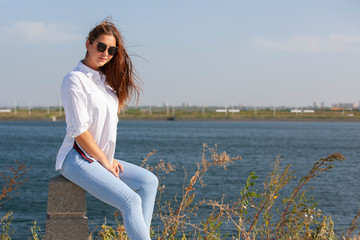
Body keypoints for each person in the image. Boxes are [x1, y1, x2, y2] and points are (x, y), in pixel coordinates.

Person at [56, 19, 158, 240]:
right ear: (88, 44)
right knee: (130, 201)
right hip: (76, 157)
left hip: (98, 156)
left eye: (111, 50)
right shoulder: (74, 80)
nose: (105, 53)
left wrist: (106, 158)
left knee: (149, 182)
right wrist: (104, 160)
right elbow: (79, 131)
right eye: (100, 46)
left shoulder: (106, 83)